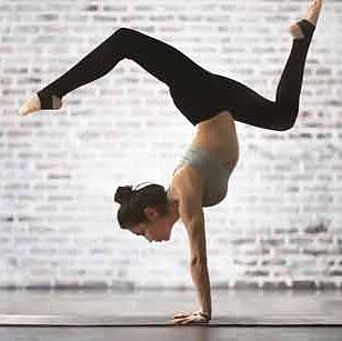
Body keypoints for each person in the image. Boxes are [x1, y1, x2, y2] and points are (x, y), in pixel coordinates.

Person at [18, 0, 324, 325]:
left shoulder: (185, 189)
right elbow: (197, 256)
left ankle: (52, 94)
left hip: (202, 100)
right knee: (282, 117)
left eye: (142, 233)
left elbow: (198, 258)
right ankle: (303, 37)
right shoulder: (183, 193)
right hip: (219, 102)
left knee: (125, 40)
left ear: (151, 214)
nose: (149, 240)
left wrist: (204, 313)